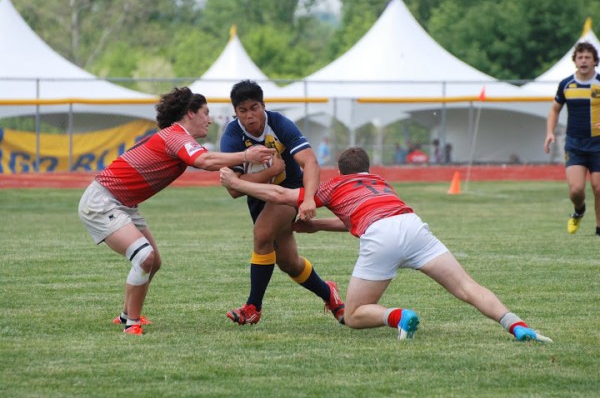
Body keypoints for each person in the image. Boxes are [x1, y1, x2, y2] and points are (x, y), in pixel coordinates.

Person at [219, 147, 553, 342]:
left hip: (381, 236)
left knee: (353, 314)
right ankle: (519, 326)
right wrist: (319, 226)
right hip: (412, 225)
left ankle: (397, 316)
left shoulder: (335, 186)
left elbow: (281, 195)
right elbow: (354, 219)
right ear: (368, 169)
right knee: (467, 286)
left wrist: (237, 182)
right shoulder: (380, 181)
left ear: (341, 171)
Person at [78, 87, 275, 335]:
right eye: (205, 112)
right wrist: (247, 154)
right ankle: (132, 325)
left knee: (154, 261)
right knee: (144, 257)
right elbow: (204, 162)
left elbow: (206, 161)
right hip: (102, 201)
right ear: (190, 113)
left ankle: (126, 315)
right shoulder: (176, 135)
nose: (209, 119)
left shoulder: (178, 138)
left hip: (124, 203)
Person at [219, 80, 345, 325]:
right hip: (259, 198)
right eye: (242, 111)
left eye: (254, 107)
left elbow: (310, 162)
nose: (249, 115)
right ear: (235, 113)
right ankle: (330, 294)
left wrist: (308, 199)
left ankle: (253, 307)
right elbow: (234, 190)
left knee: (262, 234)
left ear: (263, 106)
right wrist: (272, 170)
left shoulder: (279, 124)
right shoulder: (232, 134)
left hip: (289, 192)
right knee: (289, 262)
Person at [544, 41, 600, 235]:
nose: (583, 60)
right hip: (575, 144)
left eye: (587, 57)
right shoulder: (566, 84)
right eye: (580, 57)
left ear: (595, 61)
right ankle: (579, 210)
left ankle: (599, 228)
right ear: (575, 61)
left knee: (598, 187)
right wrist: (550, 132)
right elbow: (554, 110)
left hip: (598, 144)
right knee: (576, 190)